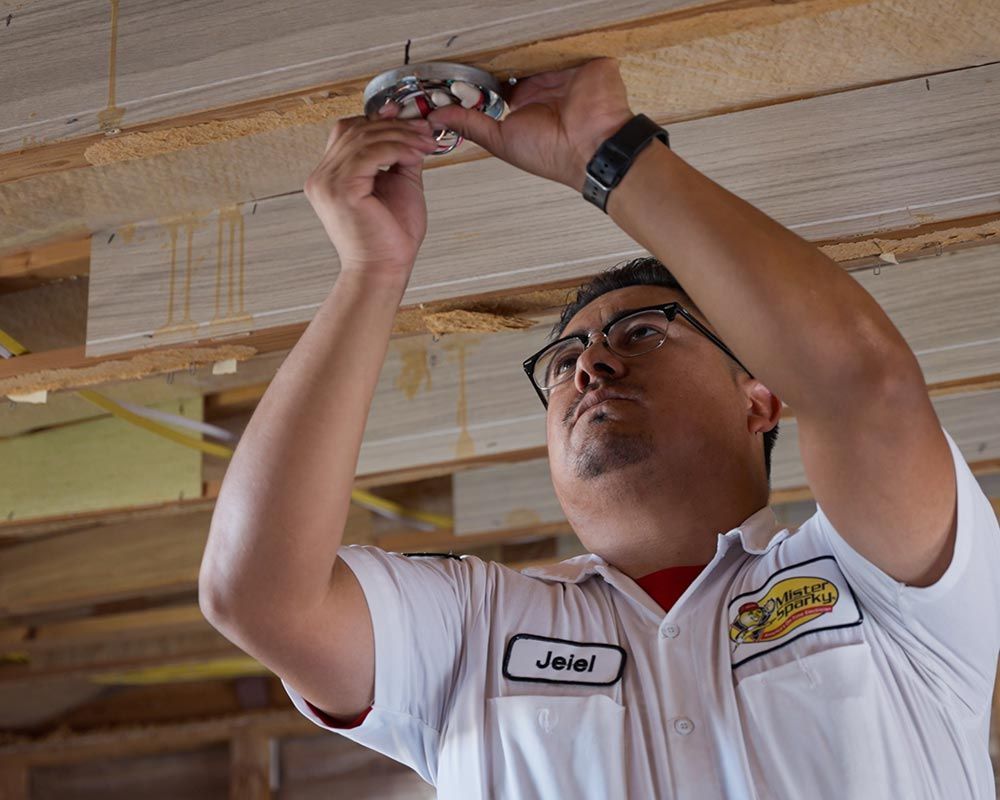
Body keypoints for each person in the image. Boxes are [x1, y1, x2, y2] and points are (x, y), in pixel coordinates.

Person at [199, 58, 1000, 798]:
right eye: (564, 359)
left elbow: (869, 390)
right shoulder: (477, 629)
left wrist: (609, 156)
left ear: (760, 398)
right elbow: (260, 596)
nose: (589, 366)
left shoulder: (876, 588)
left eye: (643, 332)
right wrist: (370, 270)